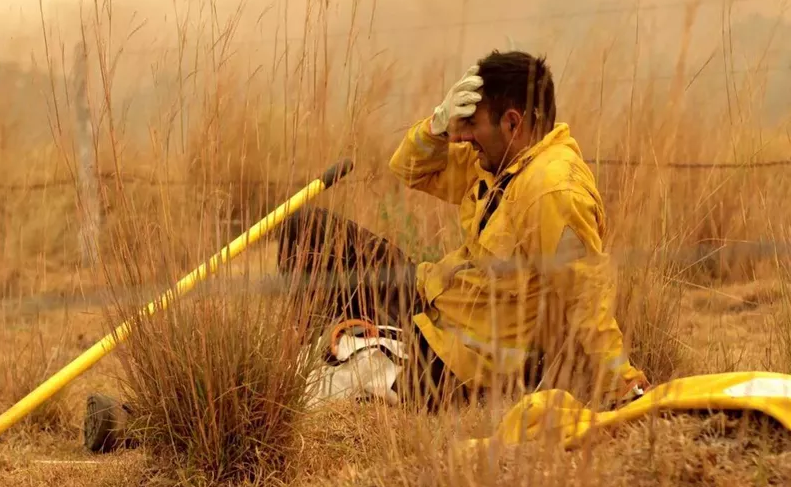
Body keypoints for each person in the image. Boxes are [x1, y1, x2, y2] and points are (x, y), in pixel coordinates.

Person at [276, 49, 651, 411]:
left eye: (473, 124)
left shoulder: (553, 190)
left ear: (512, 123)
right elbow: (409, 169)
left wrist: (623, 384)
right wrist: (437, 126)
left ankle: (340, 355)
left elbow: (586, 298)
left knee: (327, 381)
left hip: (462, 359)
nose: (464, 136)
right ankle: (324, 344)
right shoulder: (498, 160)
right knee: (307, 231)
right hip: (431, 300)